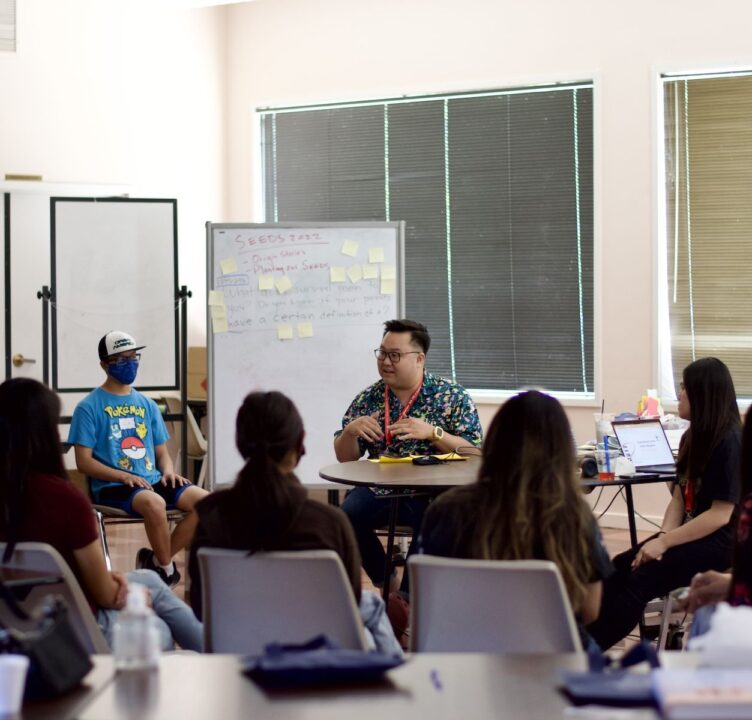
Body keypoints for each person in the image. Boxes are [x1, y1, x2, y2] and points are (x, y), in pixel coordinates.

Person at [0, 378, 202, 651]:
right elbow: (106, 596)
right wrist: (126, 592)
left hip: (14, 623)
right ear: (45, 433)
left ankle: (159, 571)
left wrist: (118, 582)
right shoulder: (65, 502)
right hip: (74, 628)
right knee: (158, 630)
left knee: (151, 580)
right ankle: (216, 656)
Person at [418, 390, 612, 648]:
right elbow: (590, 609)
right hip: (553, 658)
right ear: (563, 451)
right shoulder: (574, 516)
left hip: (462, 655)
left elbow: (430, 598)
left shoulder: (445, 510)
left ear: (495, 442)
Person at [588, 357, 742, 650]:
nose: (680, 394)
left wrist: (667, 542)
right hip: (696, 534)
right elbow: (677, 498)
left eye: (685, 387)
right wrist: (661, 539)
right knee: (620, 566)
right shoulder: (691, 437)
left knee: (639, 581)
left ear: (702, 394)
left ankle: (590, 650)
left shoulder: (730, 442)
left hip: (722, 542)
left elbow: (720, 516)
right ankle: (583, 638)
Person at [334, 319, 482, 591]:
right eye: (381, 353)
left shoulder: (452, 396)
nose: (385, 362)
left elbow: (474, 453)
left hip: (430, 492)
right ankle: (386, 580)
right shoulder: (368, 398)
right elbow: (345, 458)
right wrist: (350, 434)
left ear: (419, 358)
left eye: (394, 355)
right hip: (380, 488)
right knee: (345, 517)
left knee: (438, 519)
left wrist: (434, 433)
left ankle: (409, 596)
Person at [189, 390, 362, 618]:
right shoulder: (330, 524)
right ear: (300, 445)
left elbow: (202, 610)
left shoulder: (211, 517)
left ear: (240, 444)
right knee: (373, 605)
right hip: (313, 648)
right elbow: (350, 607)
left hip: (233, 648)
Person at [68, 331, 208, 587]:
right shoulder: (88, 407)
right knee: (154, 503)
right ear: (104, 364)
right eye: (121, 359)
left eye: (133, 357)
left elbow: (162, 453)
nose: (130, 363)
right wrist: (123, 475)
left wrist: (167, 471)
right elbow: (83, 462)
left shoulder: (147, 404)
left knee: (206, 503)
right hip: (114, 487)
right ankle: (167, 572)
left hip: (151, 481)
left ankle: (155, 561)